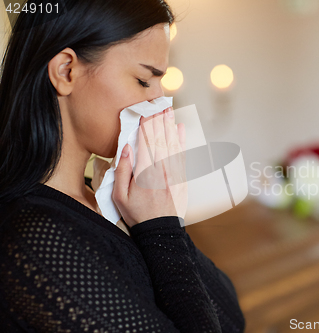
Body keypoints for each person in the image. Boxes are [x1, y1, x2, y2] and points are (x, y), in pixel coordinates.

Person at [0, 0, 246, 332]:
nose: (160, 101)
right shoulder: (35, 238)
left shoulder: (110, 202)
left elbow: (231, 319)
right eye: (145, 80)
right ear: (65, 71)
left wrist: (162, 222)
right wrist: (161, 228)